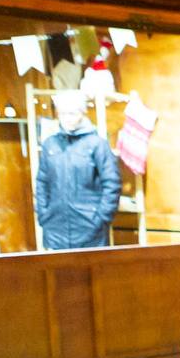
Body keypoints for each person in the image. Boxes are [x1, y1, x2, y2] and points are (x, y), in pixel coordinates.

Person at [34, 92, 122, 251]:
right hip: (55, 229)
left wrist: (101, 219)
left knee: (93, 275)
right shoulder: (50, 145)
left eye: (72, 113)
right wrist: (43, 215)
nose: (67, 118)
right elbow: (42, 182)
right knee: (58, 275)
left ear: (82, 113)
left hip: (90, 229)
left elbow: (112, 184)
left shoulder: (97, 144)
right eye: (62, 113)